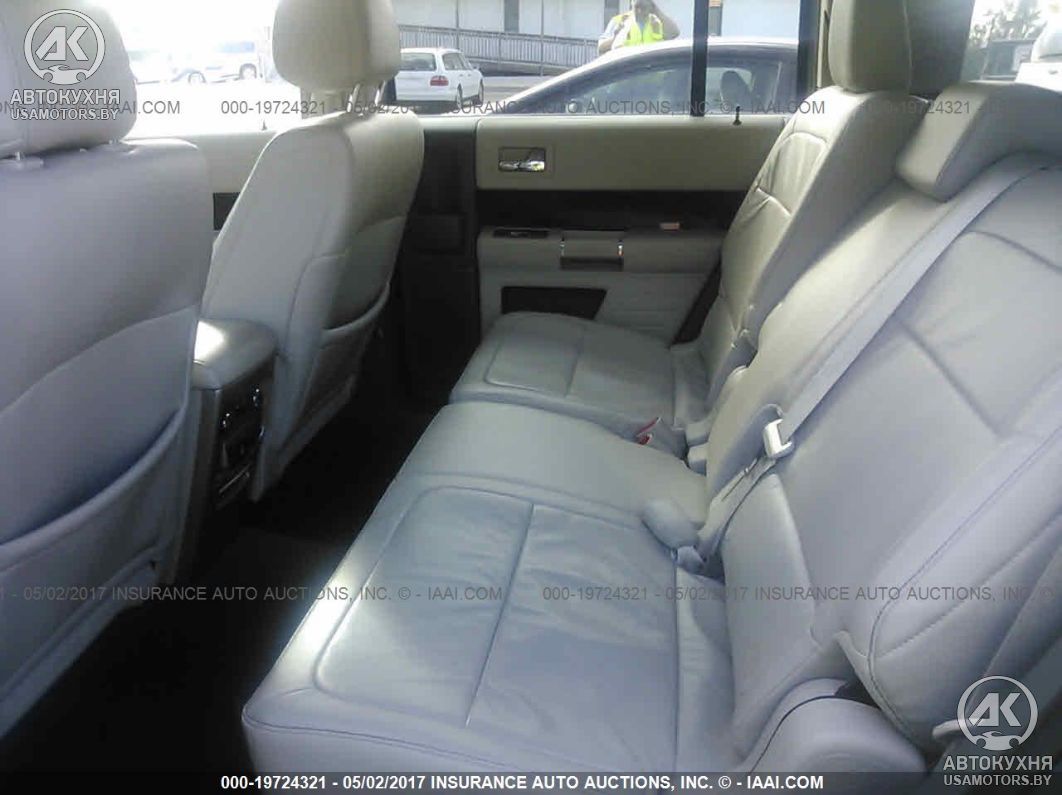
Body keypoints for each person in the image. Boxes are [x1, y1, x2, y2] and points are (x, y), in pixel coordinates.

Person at [598, 0, 680, 54]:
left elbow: (674, 33)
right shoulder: (620, 20)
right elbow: (601, 48)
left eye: (643, 7)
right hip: (627, 72)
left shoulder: (656, 21)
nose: (639, 11)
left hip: (653, 72)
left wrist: (655, 10)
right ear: (632, 3)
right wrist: (615, 37)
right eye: (637, 6)